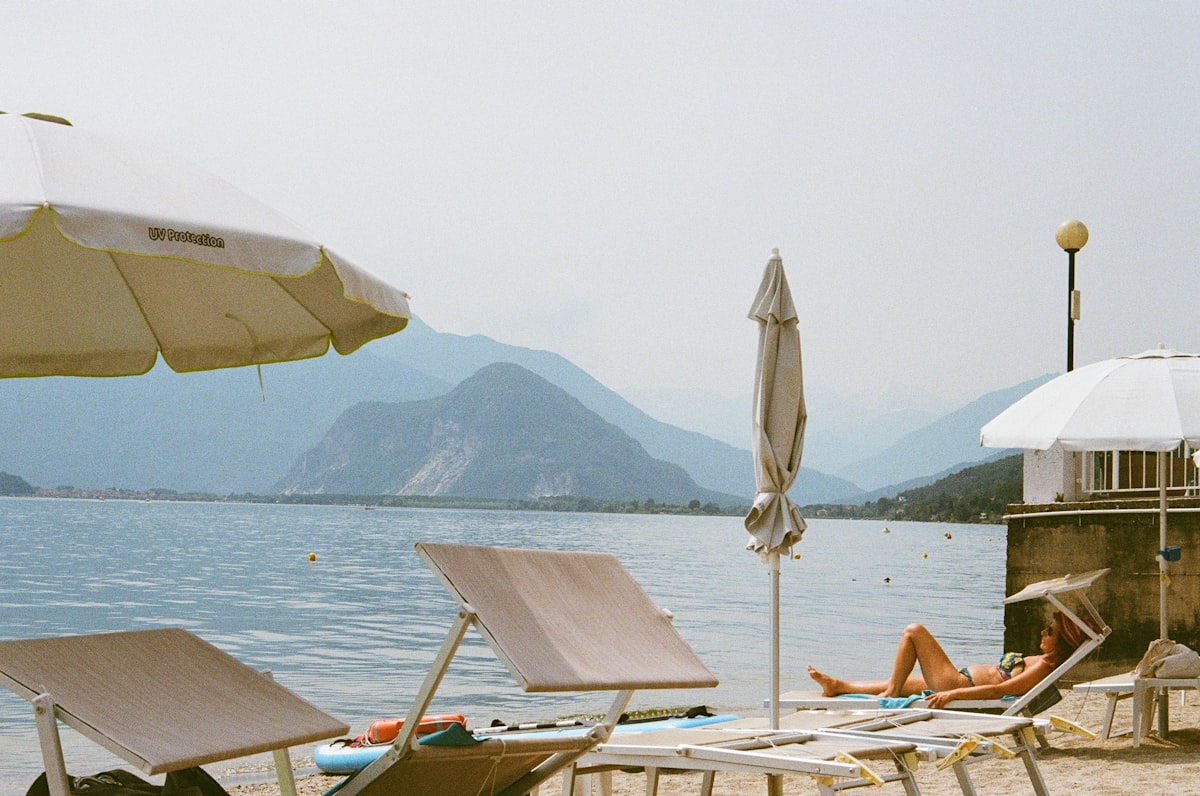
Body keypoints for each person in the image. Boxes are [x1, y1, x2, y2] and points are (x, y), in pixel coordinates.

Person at [807, 611, 1095, 709]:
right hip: (957, 679)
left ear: (1064, 642)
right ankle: (838, 685)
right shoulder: (1042, 659)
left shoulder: (1044, 667)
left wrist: (955, 693)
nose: (1043, 632)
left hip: (956, 684)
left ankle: (891, 695)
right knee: (902, 680)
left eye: (1051, 631)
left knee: (913, 631)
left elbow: (1000, 691)